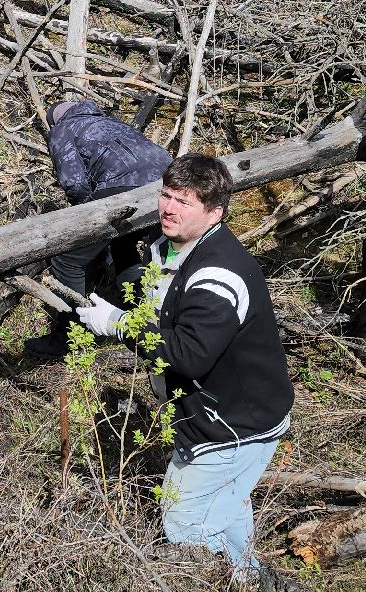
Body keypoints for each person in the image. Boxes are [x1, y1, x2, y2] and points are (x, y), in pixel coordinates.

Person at [75, 154, 292, 580]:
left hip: (230, 425)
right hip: (230, 413)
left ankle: (212, 580)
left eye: (185, 202)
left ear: (215, 212)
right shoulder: (174, 249)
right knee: (227, 508)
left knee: (185, 524)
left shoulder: (220, 275)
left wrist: (119, 326)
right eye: (166, 195)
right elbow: (170, 312)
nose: (169, 208)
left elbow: (190, 354)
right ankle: (249, 579)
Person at [24, 99, 173, 358]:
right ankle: (140, 315)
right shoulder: (113, 123)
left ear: (54, 121)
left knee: (66, 258)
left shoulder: (63, 129)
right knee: (123, 244)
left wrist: (89, 225)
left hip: (124, 188)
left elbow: (74, 182)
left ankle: (69, 336)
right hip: (168, 186)